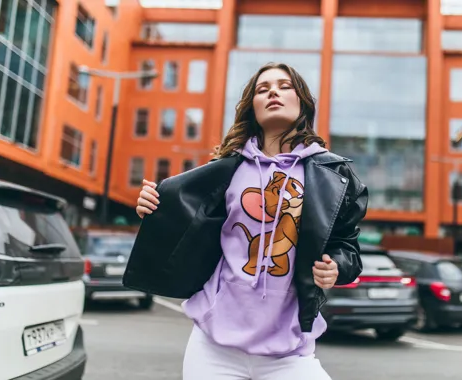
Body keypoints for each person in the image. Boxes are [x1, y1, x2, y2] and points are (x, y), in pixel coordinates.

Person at [123, 62, 368, 380]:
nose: (273, 93)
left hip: (290, 351)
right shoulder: (226, 168)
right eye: (262, 89)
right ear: (252, 106)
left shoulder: (333, 175)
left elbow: (347, 248)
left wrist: (336, 267)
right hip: (214, 347)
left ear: (303, 101)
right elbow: (182, 222)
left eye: (284, 86)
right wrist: (151, 208)